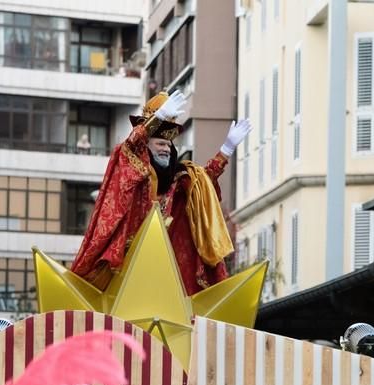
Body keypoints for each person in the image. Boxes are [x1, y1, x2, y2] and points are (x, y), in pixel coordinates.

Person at [71, 90, 251, 295]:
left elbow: (203, 186)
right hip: (129, 268)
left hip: (169, 271)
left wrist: (226, 150)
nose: (166, 148)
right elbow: (130, 147)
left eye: (168, 144)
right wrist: (158, 118)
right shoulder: (135, 169)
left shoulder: (179, 180)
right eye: (160, 143)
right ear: (146, 146)